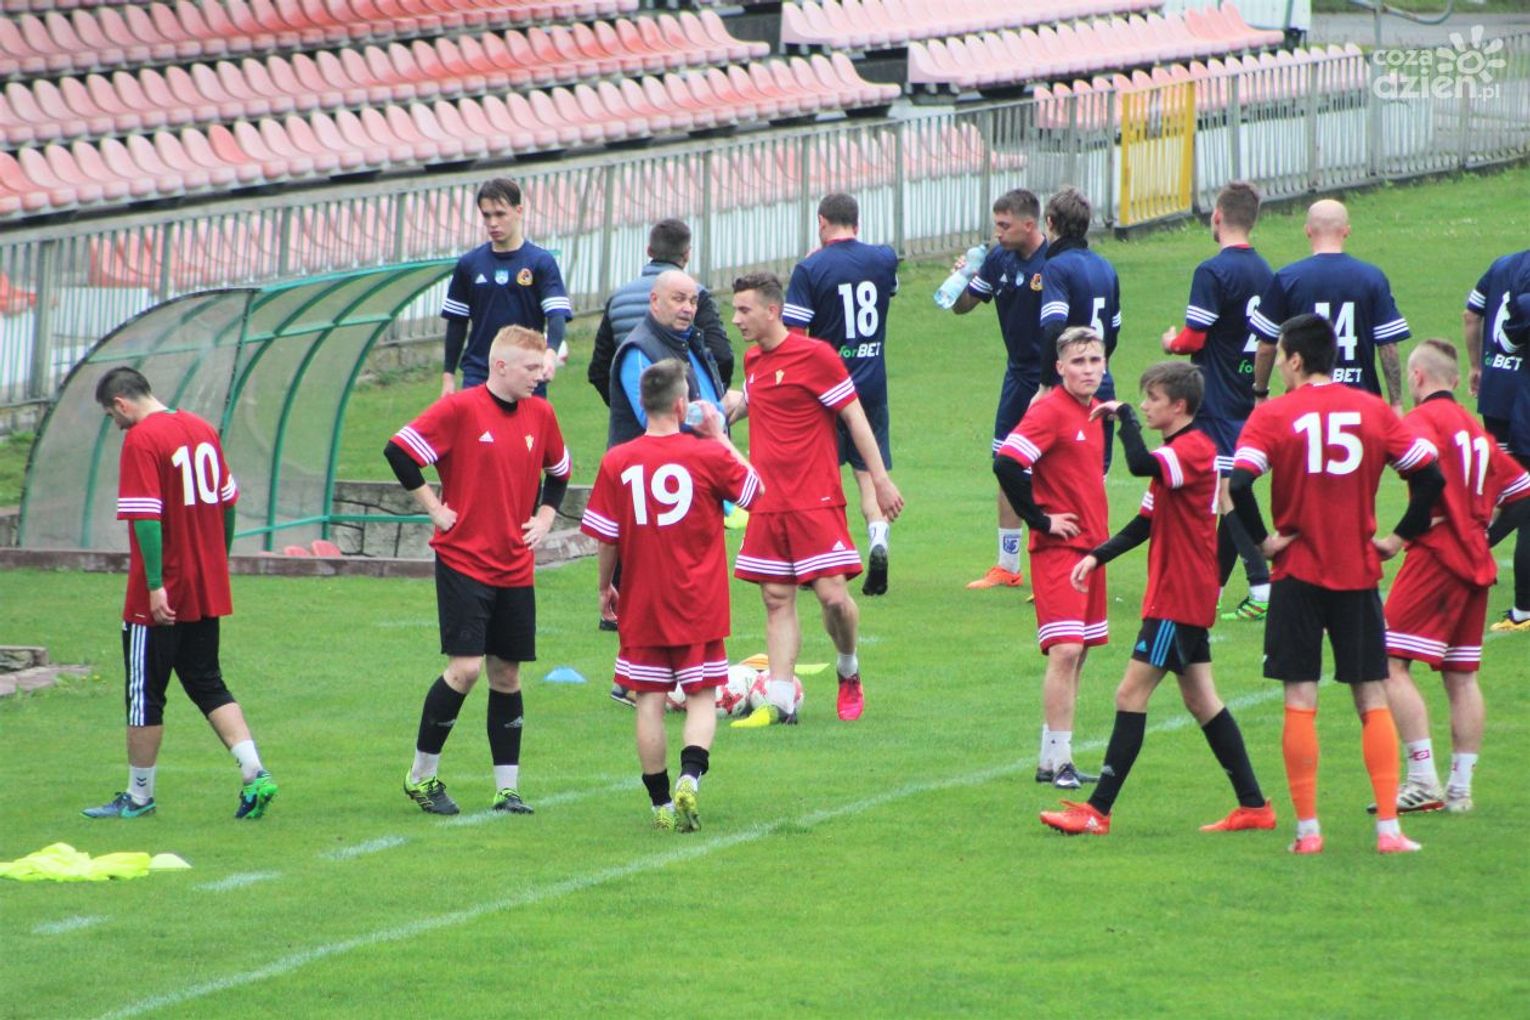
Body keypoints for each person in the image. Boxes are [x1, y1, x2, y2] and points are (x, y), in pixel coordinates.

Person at [1229, 313, 1444, 854]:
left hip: (1296, 573)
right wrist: (1398, 537)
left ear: (1296, 359)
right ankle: (1389, 830)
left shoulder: (1273, 414)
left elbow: (1239, 483)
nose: (1280, 367)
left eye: (1281, 357)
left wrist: (1263, 542)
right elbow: (1430, 476)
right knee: (1371, 695)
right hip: (1358, 572)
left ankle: (1308, 833)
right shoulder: (1372, 409)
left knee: (1300, 697)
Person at [1039, 362, 1274, 835]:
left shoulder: (1190, 451)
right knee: (1202, 699)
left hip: (1177, 597)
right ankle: (1254, 806)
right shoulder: (1177, 456)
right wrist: (1096, 556)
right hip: (1182, 593)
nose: (1145, 406)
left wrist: (1122, 416)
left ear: (1178, 406)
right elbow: (1144, 524)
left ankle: (1097, 811)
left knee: (1130, 694)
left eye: (1152, 399)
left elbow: (1137, 463)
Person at [386, 325, 572, 816]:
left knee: (506, 674)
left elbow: (560, 472)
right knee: (466, 669)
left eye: (541, 367)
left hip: (515, 565)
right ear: (500, 366)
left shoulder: (542, 414)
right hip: (463, 560)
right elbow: (398, 451)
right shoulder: (460, 409)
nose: (539, 375)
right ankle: (420, 777)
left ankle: (507, 790)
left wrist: (545, 518)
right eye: (531, 368)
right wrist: (434, 507)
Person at [83, 367, 277, 821]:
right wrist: (217, 560)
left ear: (122, 403)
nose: (117, 425)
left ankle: (138, 796)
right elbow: (228, 502)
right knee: (207, 681)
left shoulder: (142, 440)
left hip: (162, 592)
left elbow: (146, 518)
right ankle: (255, 772)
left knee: (144, 693)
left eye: (112, 416)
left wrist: (154, 585)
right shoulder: (201, 427)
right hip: (204, 585)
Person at [581, 360, 763, 830]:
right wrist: (719, 436)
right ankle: (690, 777)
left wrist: (605, 587)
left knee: (649, 701)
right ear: (683, 405)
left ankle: (660, 804)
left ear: (643, 404)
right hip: (699, 602)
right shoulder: (706, 454)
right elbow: (756, 492)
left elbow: (606, 537)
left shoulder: (618, 460)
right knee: (701, 696)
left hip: (643, 602)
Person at [727, 271, 903, 726]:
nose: (736, 319)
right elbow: (754, 402)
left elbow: (856, 418)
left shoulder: (816, 356)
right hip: (768, 502)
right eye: (734, 310)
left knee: (834, 598)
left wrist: (880, 481)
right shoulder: (752, 360)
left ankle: (848, 668)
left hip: (816, 499)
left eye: (744, 310)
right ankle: (781, 701)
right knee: (776, 598)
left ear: (772, 310)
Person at [1377, 339, 1530, 814]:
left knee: (1388, 661)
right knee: (1461, 676)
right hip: (1474, 563)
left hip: (1435, 559)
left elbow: (1429, 477)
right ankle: (1460, 791)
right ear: (1457, 380)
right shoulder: (1476, 432)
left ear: (1417, 377)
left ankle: (1422, 779)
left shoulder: (1421, 422)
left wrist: (1405, 533)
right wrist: (1480, 531)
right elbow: (1521, 490)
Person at [993, 327, 1110, 789]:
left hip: (1092, 549)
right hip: (1060, 551)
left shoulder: (1096, 412)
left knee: (1079, 654)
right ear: (1059, 368)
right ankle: (1062, 762)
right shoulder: (1050, 411)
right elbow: (1007, 462)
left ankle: (1051, 759)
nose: (1088, 369)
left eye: (1094, 360)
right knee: (1065, 651)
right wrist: (1040, 520)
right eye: (1078, 362)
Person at [1161, 181, 1275, 624]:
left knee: (1226, 493)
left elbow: (1195, 337)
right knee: (1231, 491)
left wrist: (1172, 344)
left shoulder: (1212, 272)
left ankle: (1261, 584)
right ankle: (1214, 588)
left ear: (1217, 216)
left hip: (1216, 395)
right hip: (1248, 393)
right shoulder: (1266, 271)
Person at [783, 192, 901, 596]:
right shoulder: (883, 258)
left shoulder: (810, 268)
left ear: (821, 221)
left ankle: (821, 558)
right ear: (857, 221)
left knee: (820, 478)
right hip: (872, 385)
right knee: (869, 476)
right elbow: (888, 292)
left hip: (827, 389)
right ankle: (878, 541)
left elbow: (795, 336)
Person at [951, 188, 1050, 590]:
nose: (998, 232)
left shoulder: (1054, 262)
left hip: (1053, 379)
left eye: (1005, 225)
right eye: (997, 224)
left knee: (1052, 471)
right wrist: (961, 277)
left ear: (1029, 224)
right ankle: (1007, 565)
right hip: (1017, 378)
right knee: (1006, 465)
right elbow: (963, 306)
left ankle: (1057, 561)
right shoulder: (998, 260)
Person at [1249, 199, 1409, 410]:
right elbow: (1388, 346)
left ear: (1308, 230)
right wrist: (1396, 402)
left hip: (1304, 407)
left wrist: (1260, 393)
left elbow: (1266, 346)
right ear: (1346, 230)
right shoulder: (1372, 278)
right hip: (1360, 404)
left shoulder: (1287, 278)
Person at [441, 178, 572, 398]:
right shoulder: (469, 264)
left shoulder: (540, 262)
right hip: (479, 374)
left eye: (500, 214)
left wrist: (550, 354)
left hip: (528, 373)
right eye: (487, 215)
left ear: (518, 211)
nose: (493, 223)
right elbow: (457, 322)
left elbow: (556, 314)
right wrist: (448, 377)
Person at [588, 217, 734, 404]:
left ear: (649, 251)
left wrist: (627, 404)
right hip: (686, 409)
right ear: (687, 254)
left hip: (635, 407)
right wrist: (710, 398)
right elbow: (722, 356)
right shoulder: (696, 295)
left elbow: (599, 370)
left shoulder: (618, 299)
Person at [1464, 248, 1530, 631]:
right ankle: (1473, 551)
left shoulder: (1502, 264)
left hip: (1496, 391)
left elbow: (1471, 314)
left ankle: (1476, 556)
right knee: (1524, 499)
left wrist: (1476, 365)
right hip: (1523, 396)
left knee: (1497, 485)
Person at [1038, 187, 1122, 472]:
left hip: (1069, 388)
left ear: (1050, 222)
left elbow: (1054, 327)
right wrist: (1098, 365)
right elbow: (1114, 330)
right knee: (1096, 476)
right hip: (1102, 382)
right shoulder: (1106, 267)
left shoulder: (1056, 268)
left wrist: (1046, 384)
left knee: (1062, 477)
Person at [607, 270, 726, 449]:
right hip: (656, 464)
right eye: (679, 299)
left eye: (693, 301)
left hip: (701, 460)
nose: (688, 308)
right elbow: (651, 417)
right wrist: (719, 411)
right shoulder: (637, 351)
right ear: (655, 301)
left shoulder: (692, 342)